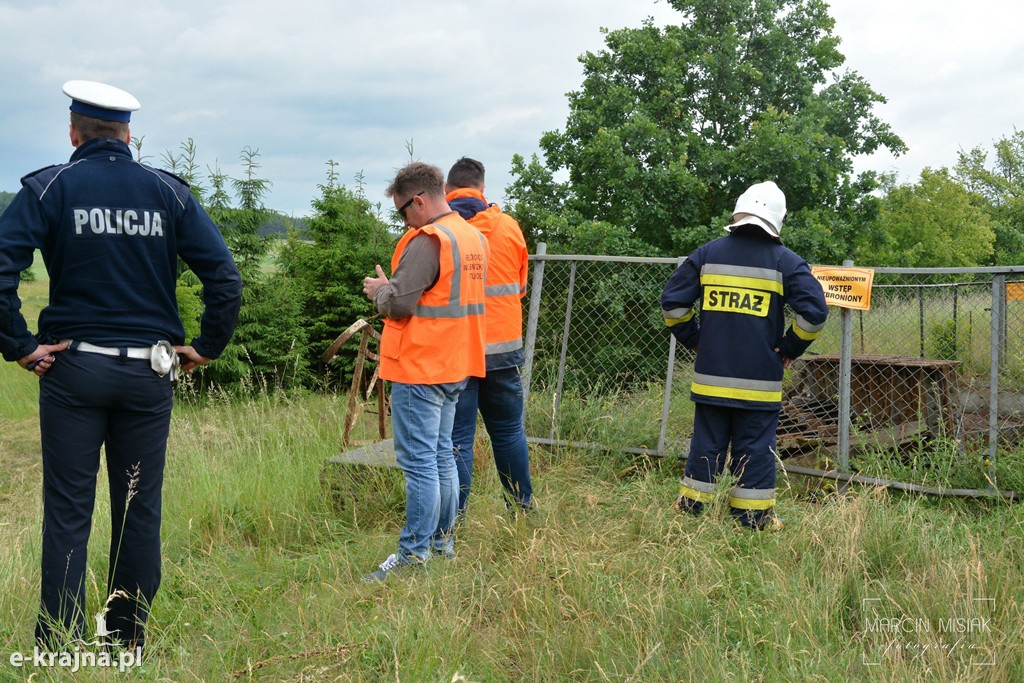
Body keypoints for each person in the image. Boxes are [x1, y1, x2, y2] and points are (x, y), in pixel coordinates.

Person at [0, 80, 242, 651]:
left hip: (73, 373)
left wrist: (21, 344)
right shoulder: (168, 193)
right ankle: (124, 640)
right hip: (149, 376)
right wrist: (206, 346)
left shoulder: (49, 187)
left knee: (67, 509)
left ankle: (57, 643)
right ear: (128, 135)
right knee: (137, 507)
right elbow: (225, 278)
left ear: (73, 132)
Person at [660, 181, 827, 530]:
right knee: (755, 449)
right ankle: (752, 520)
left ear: (738, 213)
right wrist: (789, 347)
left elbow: (673, 305)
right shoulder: (786, 262)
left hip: (711, 378)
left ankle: (690, 511)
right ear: (776, 220)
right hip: (760, 382)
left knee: (706, 445)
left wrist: (695, 341)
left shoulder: (706, 254)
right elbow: (814, 314)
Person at [362, 162, 487, 581]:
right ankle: (442, 545)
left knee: (420, 464)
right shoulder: (470, 235)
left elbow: (400, 304)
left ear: (419, 200)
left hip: (421, 366)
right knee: (442, 458)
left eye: (402, 211)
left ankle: (413, 557)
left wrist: (381, 292)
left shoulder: (428, 239)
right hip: (456, 363)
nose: (404, 221)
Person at [444, 157, 533, 515]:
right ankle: (521, 510)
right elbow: (521, 286)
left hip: (456, 352)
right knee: (509, 432)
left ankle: (453, 521)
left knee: (458, 442)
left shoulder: (440, 230)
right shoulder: (509, 228)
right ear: (483, 189)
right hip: (504, 349)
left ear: (447, 190)